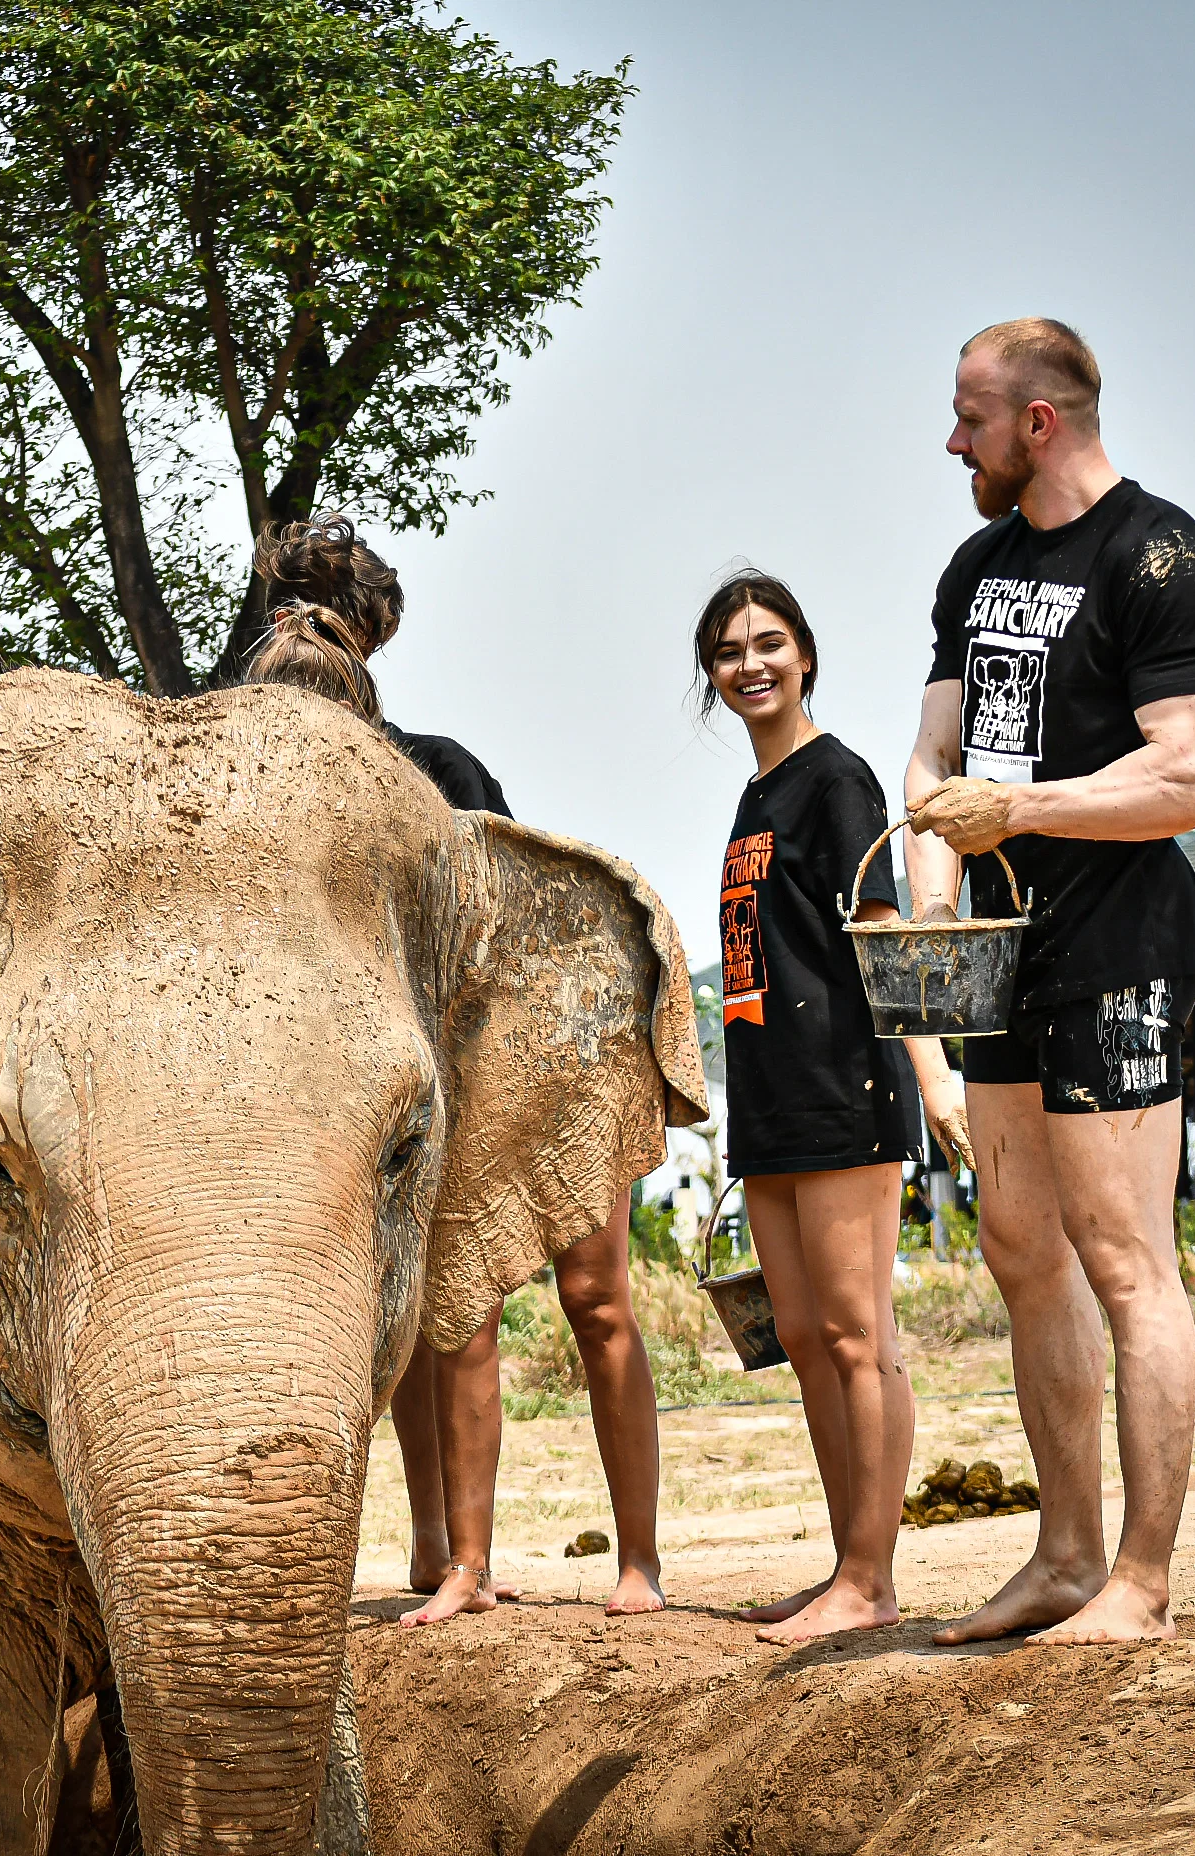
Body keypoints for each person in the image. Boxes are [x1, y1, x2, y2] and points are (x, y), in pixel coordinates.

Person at [242, 514, 667, 1624]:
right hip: (403, 1085)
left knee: (594, 1298)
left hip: (532, 1053)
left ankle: (639, 1564)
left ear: (357, 654)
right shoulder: (250, 790)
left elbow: (527, 939)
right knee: (431, 1317)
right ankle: (443, 1550)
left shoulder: (435, 774)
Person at [901, 319, 1195, 1646]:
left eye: (970, 419)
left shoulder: (1163, 558)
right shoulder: (978, 568)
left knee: (1123, 1260)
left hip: (1119, 952)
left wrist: (1022, 812)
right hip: (996, 958)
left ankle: (1141, 1586)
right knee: (1018, 1252)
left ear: (1038, 422)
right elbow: (934, 754)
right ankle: (1063, 1559)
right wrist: (936, 916)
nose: (953, 442)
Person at [697, 572, 968, 1642]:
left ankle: (871, 1577)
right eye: (728, 651)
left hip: (846, 1089)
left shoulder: (838, 778)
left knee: (860, 1334)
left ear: (804, 653)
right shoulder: (755, 800)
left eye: (768, 642)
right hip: (766, 1102)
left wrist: (934, 1072)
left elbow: (884, 932)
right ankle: (844, 1564)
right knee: (804, 1336)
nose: (750, 663)